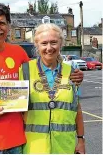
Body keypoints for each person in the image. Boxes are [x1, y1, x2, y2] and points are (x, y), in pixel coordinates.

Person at [0, 4, 84, 154]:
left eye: (2, 23)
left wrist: (73, 74)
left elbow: (44, 66)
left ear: (8, 27)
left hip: (16, 144)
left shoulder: (19, 54)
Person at [19, 23, 85, 154]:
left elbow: (77, 109)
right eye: (44, 43)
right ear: (37, 45)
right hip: (34, 147)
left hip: (66, 147)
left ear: (60, 44)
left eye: (54, 42)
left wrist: (81, 140)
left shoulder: (72, 72)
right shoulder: (24, 70)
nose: (49, 48)